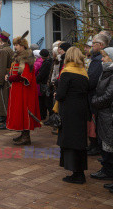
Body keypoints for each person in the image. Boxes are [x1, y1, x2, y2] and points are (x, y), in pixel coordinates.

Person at [55, 46, 89, 184]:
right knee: (80, 142)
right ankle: (79, 172)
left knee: (70, 141)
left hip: (69, 110)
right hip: (81, 109)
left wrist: (57, 94)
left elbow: (62, 94)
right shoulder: (83, 72)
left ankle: (77, 174)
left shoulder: (67, 72)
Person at [5, 32, 41, 145]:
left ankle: (26, 136)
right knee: (19, 111)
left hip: (24, 90)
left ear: (23, 46)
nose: (15, 47)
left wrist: (10, 78)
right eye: (14, 45)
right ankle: (23, 134)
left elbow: (23, 75)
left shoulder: (26, 58)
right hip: (18, 89)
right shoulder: (19, 57)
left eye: (17, 45)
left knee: (24, 111)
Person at [91, 46, 113, 182]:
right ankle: (106, 169)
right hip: (103, 113)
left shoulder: (111, 73)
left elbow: (109, 95)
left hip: (108, 114)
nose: (102, 59)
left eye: (105, 57)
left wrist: (95, 101)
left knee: (108, 144)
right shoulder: (106, 71)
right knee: (105, 143)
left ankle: (108, 171)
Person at [87, 33, 108, 156]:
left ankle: (96, 146)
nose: (91, 46)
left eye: (93, 43)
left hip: (96, 96)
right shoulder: (96, 58)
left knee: (95, 122)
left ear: (100, 45)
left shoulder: (98, 60)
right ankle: (94, 144)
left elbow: (93, 80)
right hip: (95, 95)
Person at [0, 32, 14, 130]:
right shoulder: (10, 49)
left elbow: (2, 67)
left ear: (1, 40)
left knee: (4, 100)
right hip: (9, 76)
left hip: (5, 78)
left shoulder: (3, 51)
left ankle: (6, 120)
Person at [36, 49, 53, 121]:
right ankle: (44, 115)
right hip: (46, 83)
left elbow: (42, 74)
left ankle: (45, 116)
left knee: (46, 101)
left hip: (45, 84)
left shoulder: (46, 63)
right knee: (46, 101)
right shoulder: (50, 61)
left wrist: (36, 80)